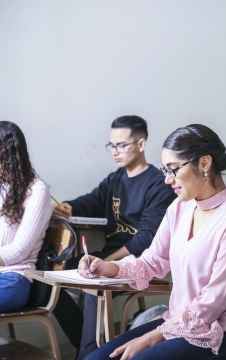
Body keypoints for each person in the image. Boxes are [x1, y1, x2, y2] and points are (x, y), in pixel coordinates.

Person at [80, 124, 226, 360]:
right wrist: (106, 267)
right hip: (181, 325)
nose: (168, 180)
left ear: (204, 163)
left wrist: (151, 337)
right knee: (95, 359)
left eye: (173, 169)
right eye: (165, 170)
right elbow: (152, 261)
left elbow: (212, 303)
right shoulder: (180, 207)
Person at [51, 115, 176, 357]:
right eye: (112, 145)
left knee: (93, 288)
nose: (115, 152)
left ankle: (85, 354)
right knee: (54, 275)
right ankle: (83, 340)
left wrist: (108, 262)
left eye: (122, 145)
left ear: (141, 144)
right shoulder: (115, 179)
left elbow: (145, 239)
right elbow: (91, 201)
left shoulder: (158, 183)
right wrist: (68, 207)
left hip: (138, 261)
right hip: (109, 257)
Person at [0, 121, 52, 312]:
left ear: (8, 155)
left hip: (13, 279)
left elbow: (18, 251)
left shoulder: (37, 191)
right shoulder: (1, 187)